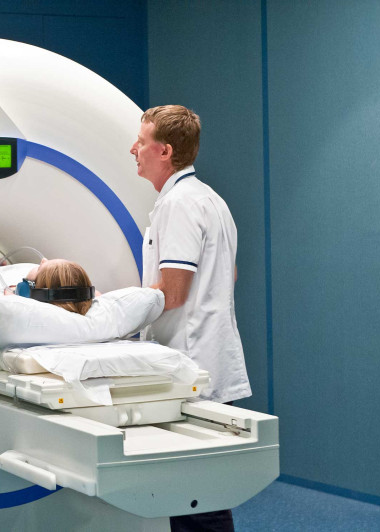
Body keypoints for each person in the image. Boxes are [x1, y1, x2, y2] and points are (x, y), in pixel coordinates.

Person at [130, 105, 250, 532]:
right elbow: (228, 274)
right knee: (203, 493)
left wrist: (117, 310)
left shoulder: (179, 204)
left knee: (198, 499)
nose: (133, 149)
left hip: (191, 364)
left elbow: (175, 292)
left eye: (141, 143)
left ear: (163, 151)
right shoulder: (210, 199)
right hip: (209, 355)